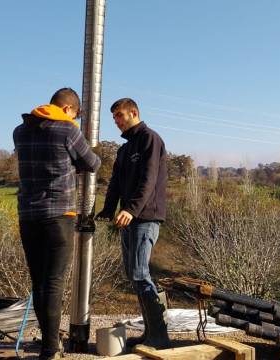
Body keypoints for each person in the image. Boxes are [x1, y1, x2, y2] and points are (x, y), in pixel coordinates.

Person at [14, 88, 100, 360]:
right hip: (59, 216)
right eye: (74, 115)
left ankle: (48, 342)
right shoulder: (67, 130)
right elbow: (92, 163)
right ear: (68, 109)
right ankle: (51, 348)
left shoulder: (20, 131)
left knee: (39, 282)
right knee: (54, 281)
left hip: (28, 216)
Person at [96, 98, 170, 349]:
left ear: (134, 113)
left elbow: (148, 180)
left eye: (119, 115)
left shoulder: (151, 139)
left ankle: (160, 336)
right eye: (114, 117)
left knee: (140, 273)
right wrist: (107, 209)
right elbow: (115, 182)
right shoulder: (124, 149)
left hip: (145, 217)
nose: (116, 121)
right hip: (128, 219)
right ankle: (151, 333)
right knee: (134, 275)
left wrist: (131, 209)